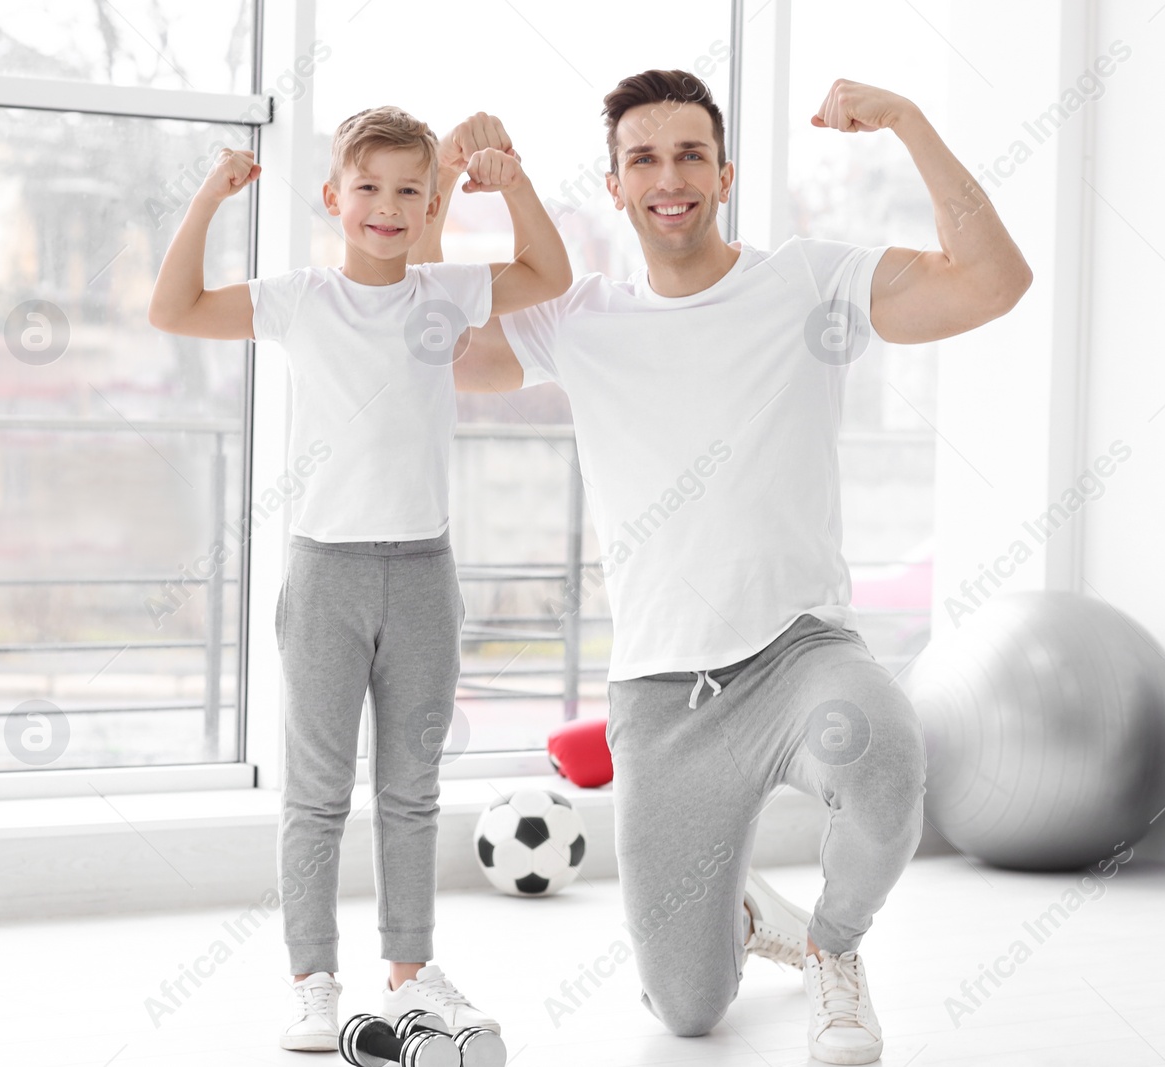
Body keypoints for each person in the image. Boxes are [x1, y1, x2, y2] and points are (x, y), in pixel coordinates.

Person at [414, 73, 1030, 1064]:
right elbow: (422, 345)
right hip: (663, 693)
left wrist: (909, 122)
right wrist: (443, 188)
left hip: (798, 652)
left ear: (725, 173)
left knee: (884, 758)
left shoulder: (806, 282)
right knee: (689, 1007)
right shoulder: (575, 316)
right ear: (614, 187)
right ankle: (740, 913)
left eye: (690, 154)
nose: (670, 178)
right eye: (644, 159)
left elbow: (994, 282)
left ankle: (834, 950)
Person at [148, 105, 571, 1052]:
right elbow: (172, 309)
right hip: (327, 573)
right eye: (368, 187)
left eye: (409, 190)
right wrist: (209, 198)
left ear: (429, 208)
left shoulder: (447, 292)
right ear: (336, 197)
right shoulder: (301, 298)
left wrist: (514, 184)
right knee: (317, 792)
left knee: (411, 788)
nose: (387, 205)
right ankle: (314, 981)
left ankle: (412, 970)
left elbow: (551, 274)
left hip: (424, 572)